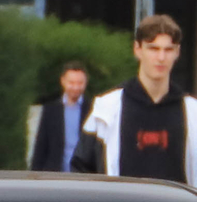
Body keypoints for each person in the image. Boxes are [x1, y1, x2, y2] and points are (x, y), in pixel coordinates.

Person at [74, 15, 197, 182]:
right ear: (137, 49)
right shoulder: (106, 110)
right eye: (153, 49)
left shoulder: (192, 112)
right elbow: (81, 169)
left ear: (177, 52)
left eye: (168, 50)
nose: (161, 58)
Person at [29, 62, 92, 173]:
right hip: (55, 175)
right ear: (63, 81)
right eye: (71, 83)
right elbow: (41, 145)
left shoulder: (92, 109)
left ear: (86, 83)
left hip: (84, 176)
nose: (76, 87)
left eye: (80, 83)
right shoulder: (51, 110)